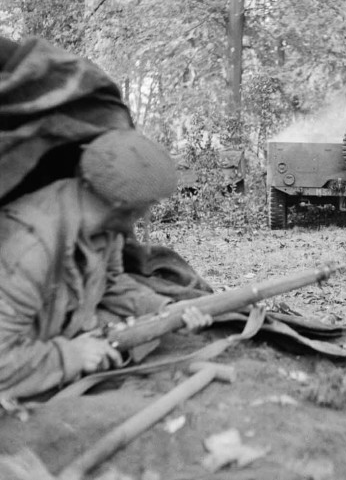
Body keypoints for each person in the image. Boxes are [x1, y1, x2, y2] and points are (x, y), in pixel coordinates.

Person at [0, 129, 212, 399]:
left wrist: (167, 309)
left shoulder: (106, 227)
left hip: (51, 339)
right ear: (124, 204)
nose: (147, 213)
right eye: (148, 204)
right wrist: (70, 356)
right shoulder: (28, 250)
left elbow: (112, 284)